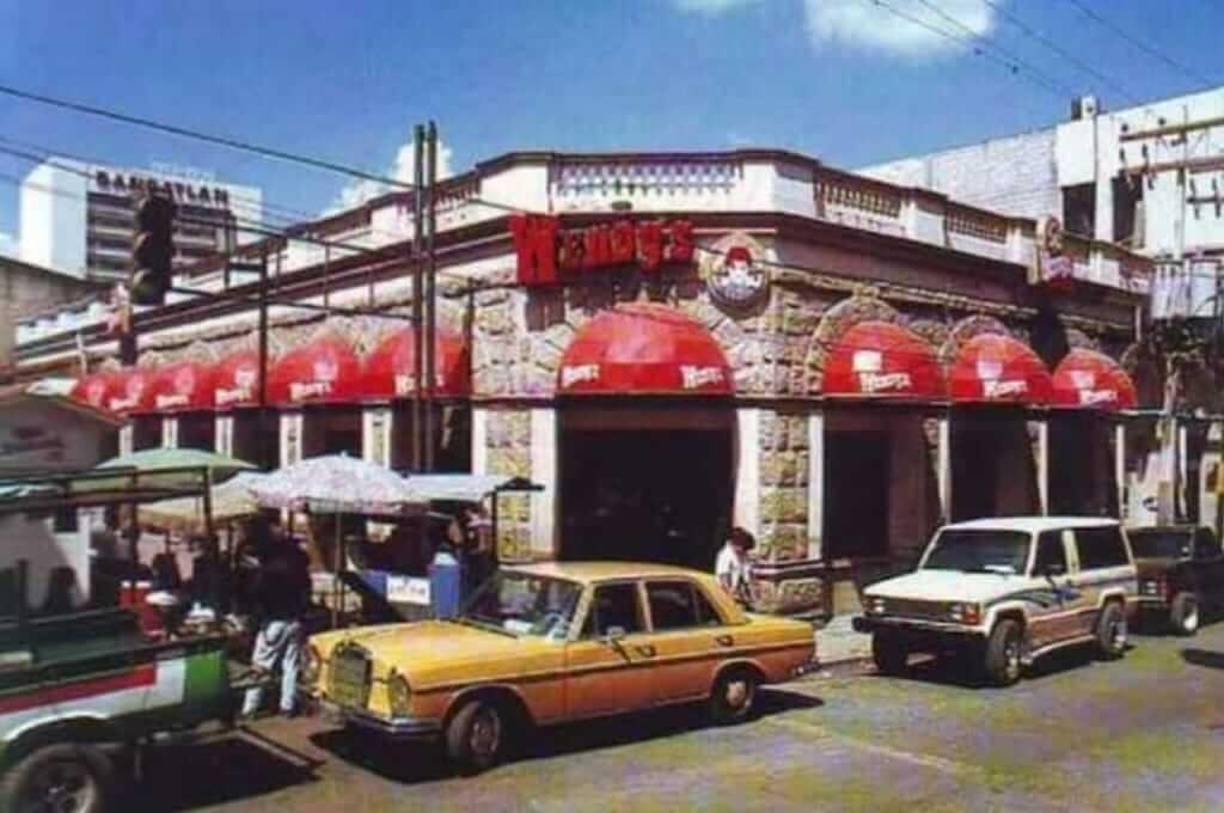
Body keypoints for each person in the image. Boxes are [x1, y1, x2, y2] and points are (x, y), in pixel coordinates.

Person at [241, 518, 312, 719]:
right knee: (290, 665)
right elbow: (307, 594)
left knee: (261, 664)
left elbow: (256, 594)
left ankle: (250, 708)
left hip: (274, 621)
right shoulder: (300, 570)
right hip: (295, 619)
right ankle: (287, 706)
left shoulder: (269, 570)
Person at [715, 527, 755, 605]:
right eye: (743, 548)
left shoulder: (744, 556)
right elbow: (723, 579)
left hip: (741, 595)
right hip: (728, 596)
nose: (744, 551)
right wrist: (731, 596)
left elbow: (748, 574)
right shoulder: (725, 555)